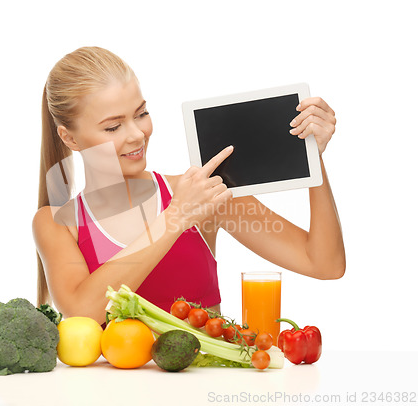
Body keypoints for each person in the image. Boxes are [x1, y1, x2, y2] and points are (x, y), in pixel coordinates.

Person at [32, 46, 345, 325]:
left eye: (141, 114)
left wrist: (312, 157)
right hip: (112, 393)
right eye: (113, 126)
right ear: (69, 138)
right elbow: (83, 312)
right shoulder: (58, 222)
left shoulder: (205, 192)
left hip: (204, 389)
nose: (137, 134)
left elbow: (324, 263)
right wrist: (175, 218)